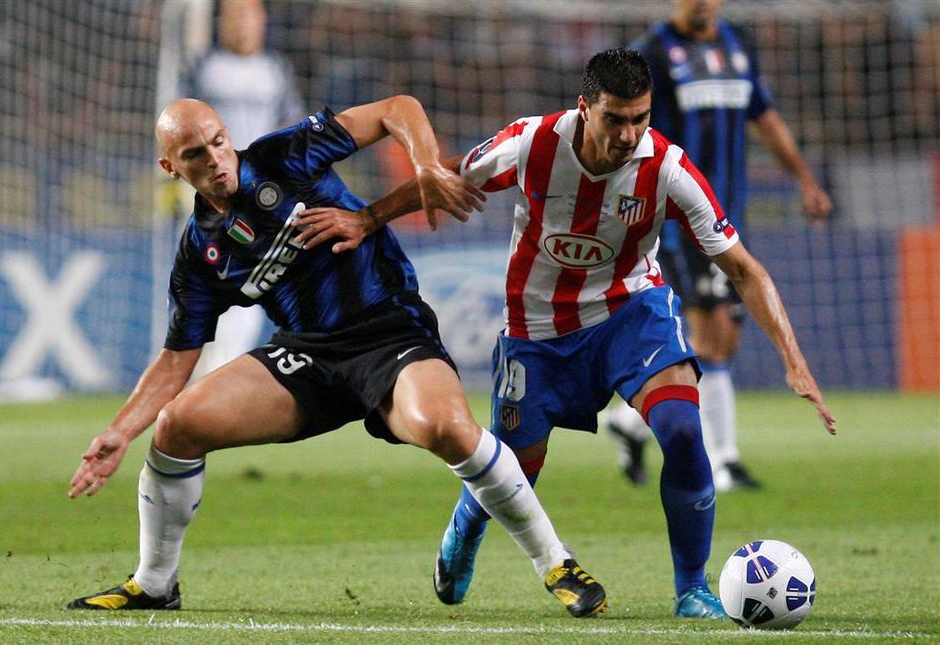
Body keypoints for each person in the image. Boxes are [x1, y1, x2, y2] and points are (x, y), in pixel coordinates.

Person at [294, 48, 835, 619]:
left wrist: (794, 360)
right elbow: (447, 174)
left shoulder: (667, 168)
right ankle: (467, 523)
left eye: (640, 119)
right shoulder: (532, 143)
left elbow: (745, 269)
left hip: (630, 313)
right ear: (584, 108)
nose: (628, 135)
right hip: (538, 330)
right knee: (516, 468)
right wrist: (366, 218)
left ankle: (691, 589)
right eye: (615, 119)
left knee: (681, 429)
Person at [65, 95, 608, 619]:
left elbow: (397, 109)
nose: (215, 159)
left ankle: (555, 563)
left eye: (219, 142)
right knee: (177, 425)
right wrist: (120, 432)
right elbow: (176, 359)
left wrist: (424, 166)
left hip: (389, 331)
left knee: (446, 428)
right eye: (195, 155)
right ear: (171, 167)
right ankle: (155, 583)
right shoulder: (201, 254)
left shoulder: (283, 156)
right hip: (308, 354)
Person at [604, 0, 834, 491]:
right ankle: (722, 460)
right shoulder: (653, 52)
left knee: (724, 337)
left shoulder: (737, 44)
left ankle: (628, 424)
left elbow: (764, 117)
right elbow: (626, 131)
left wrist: (804, 179)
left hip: (728, 213)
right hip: (676, 216)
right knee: (711, 331)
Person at [178, 0, 306, 380]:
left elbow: (291, 127)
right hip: (211, 191)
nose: (242, 24)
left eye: (249, 15)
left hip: (260, 194)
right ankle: (205, 376)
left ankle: (210, 378)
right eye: (234, 16)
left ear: (262, 21)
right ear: (221, 23)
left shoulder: (276, 71)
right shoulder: (202, 68)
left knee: (249, 287)